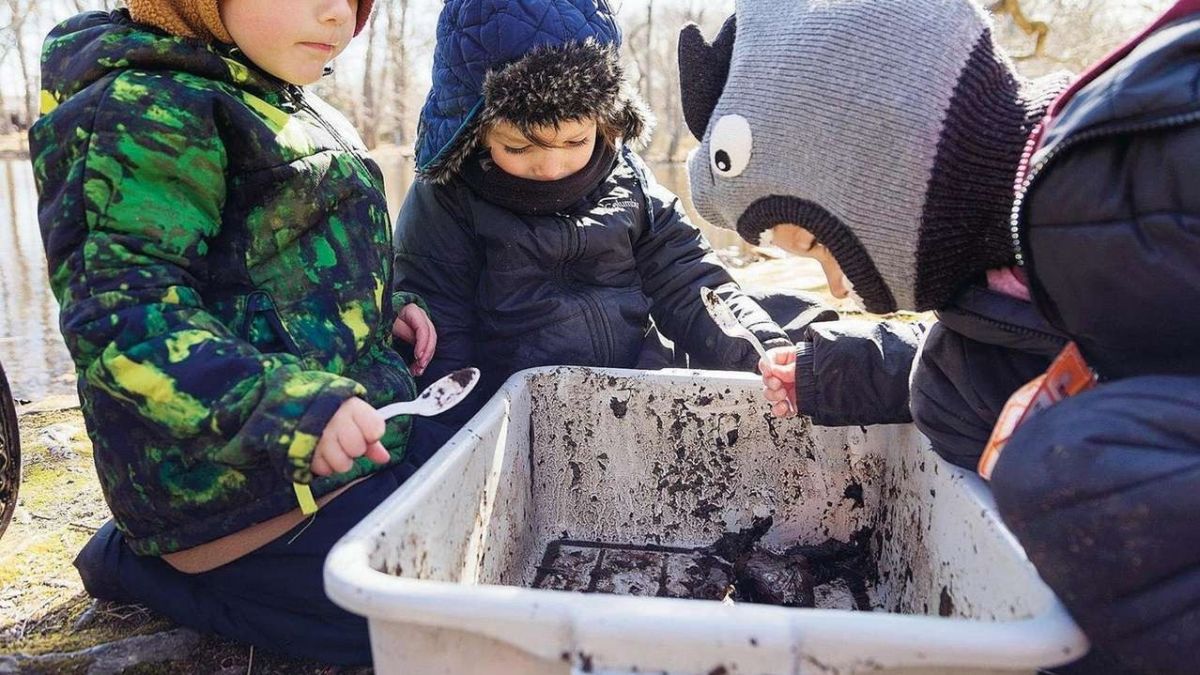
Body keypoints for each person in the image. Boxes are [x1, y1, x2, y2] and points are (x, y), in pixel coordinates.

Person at [679, 0, 1200, 672]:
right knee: (954, 384)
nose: (836, 290)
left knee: (1069, 464)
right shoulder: (1010, 242)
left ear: (877, 174)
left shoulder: (1107, 185)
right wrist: (835, 372)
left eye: (814, 243)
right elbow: (998, 342)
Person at [29, 0, 448, 664]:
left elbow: (281, 262)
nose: (336, 14)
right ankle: (142, 566)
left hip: (326, 460)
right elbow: (124, 322)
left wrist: (374, 305)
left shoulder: (276, 90)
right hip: (233, 497)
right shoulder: (147, 106)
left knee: (476, 517)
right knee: (422, 627)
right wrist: (291, 406)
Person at [393, 0, 832, 426]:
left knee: (794, 318)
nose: (551, 167)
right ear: (475, 130)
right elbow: (440, 342)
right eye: (519, 147)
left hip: (639, 389)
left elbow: (690, 281)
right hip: (517, 414)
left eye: (574, 142)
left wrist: (763, 350)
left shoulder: (631, 181)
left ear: (604, 124)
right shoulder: (445, 202)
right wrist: (455, 445)